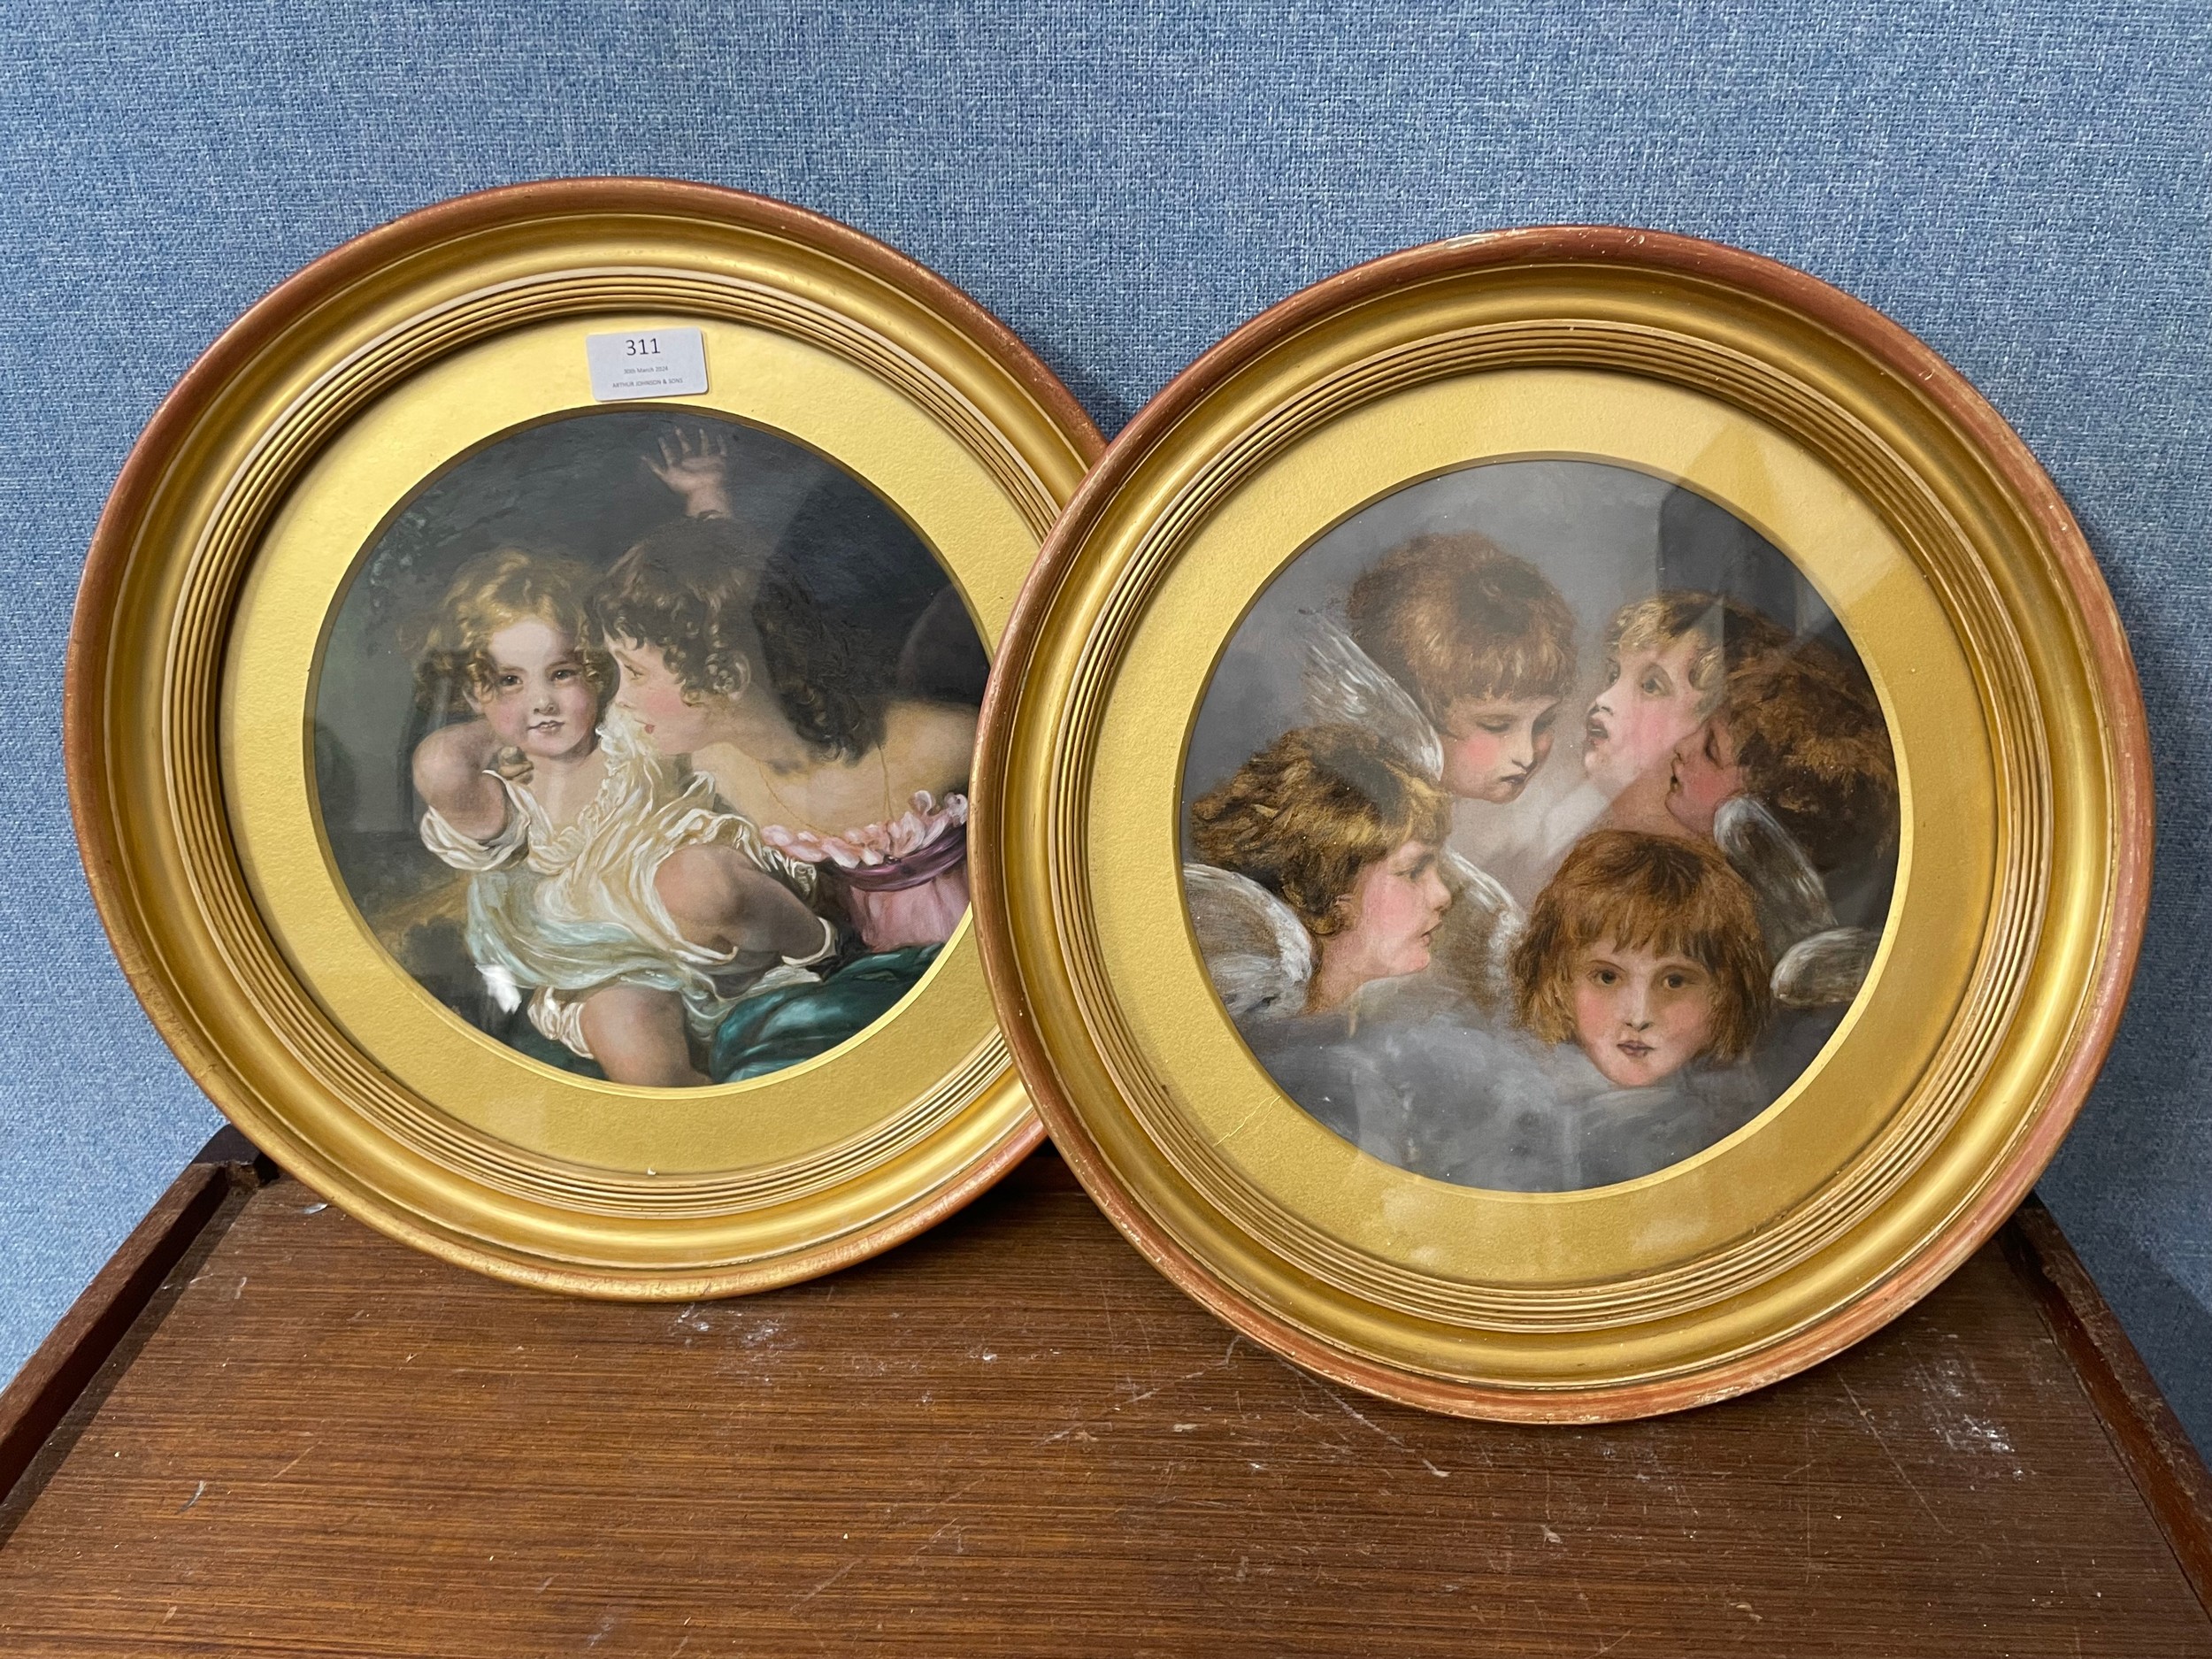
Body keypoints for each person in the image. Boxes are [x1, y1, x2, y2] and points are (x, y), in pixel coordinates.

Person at [410, 549, 827, 1087]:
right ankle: (712, 1140)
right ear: (474, 690)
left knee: (702, 882)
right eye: (509, 681)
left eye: (561, 674)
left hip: (712, 921)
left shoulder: (628, 733)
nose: (543, 703)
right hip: (608, 963)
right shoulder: (505, 802)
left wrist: (708, 504)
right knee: (630, 1044)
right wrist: (499, 725)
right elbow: (440, 766)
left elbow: (708, 639)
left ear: (595, 670)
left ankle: (821, 952)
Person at [1505, 829, 1774, 1184]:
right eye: (1606, 977)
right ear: (1558, 979)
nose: (1639, 1016)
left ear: (1726, 991)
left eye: (1674, 981)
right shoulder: (1517, 1117)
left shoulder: (1745, 1121)